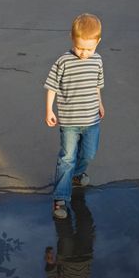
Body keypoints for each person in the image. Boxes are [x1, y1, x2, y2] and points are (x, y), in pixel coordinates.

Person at [44, 13, 105, 219]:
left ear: (98, 42)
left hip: (92, 120)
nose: (84, 53)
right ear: (72, 38)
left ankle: (77, 175)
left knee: (89, 153)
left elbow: (97, 85)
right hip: (69, 121)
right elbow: (51, 87)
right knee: (67, 158)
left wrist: (100, 103)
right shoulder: (63, 61)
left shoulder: (97, 60)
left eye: (89, 49)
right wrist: (49, 110)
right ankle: (60, 199)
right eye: (80, 48)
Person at [45, 191, 95, 278]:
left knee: (65, 235)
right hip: (85, 252)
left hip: (66, 257)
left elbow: (51, 274)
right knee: (86, 224)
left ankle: (60, 206)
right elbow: (88, 265)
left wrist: (50, 262)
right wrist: (90, 241)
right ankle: (77, 196)